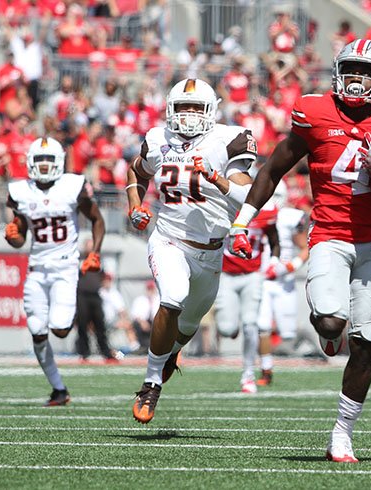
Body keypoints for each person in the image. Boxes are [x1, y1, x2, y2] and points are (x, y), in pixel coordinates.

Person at [230, 39, 371, 463]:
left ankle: (342, 432)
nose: (354, 78)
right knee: (333, 323)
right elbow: (274, 168)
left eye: (364, 71)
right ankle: (326, 328)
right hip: (330, 236)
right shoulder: (314, 111)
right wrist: (242, 219)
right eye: (348, 69)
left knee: (367, 339)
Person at [126, 78, 257, 424]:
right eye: (182, 107)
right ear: (170, 109)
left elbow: (249, 197)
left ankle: (169, 356)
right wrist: (135, 203)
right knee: (172, 297)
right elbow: (137, 171)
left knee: (185, 327)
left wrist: (216, 177)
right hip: (169, 239)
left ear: (210, 111)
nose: (187, 115)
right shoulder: (157, 139)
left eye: (195, 108)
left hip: (211, 252)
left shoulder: (229, 140)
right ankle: (150, 384)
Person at [4, 137, 105, 406]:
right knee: (37, 331)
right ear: (30, 163)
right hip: (37, 268)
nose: (45, 166)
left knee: (59, 329)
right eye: (40, 161)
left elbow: (97, 219)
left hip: (65, 266)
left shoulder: (72, 187)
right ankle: (58, 389)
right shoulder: (20, 192)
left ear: (59, 162)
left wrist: (94, 252)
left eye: (49, 161)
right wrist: (12, 236)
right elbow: (20, 237)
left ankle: (72, 315)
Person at [214, 195, 279, 394]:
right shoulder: (222, 208)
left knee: (251, 324)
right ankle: (232, 327)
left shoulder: (263, 211)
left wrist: (274, 262)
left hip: (252, 275)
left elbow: (275, 240)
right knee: (226, 329)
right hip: (226, 275)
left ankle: (248, 375)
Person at [256, 180, 309, 381]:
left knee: (288, 332)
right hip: (262, 278)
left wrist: (288, 266)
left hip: (284, 281)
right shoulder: (256, 214)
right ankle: (266, 369)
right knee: (261, 325)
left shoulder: (290, 217)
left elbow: (306, 249)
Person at [75, 239, 117, 363]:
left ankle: (105, 351)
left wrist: (104, 283)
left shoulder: (99, 260)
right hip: (82, 295)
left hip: (95, 295)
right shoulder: (79, 259)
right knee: (82, 324)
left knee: (100, 324)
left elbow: (104, 276)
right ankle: (84, 352)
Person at [130, 280, 160, 353]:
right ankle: (140, 346)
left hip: (155, 322)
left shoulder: (159, 299)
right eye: (149, 289)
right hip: (142, 323)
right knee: (135, 324)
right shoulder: (140, 300)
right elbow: (135, 315)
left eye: (152, 289)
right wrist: (142, 322)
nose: (150, 291)